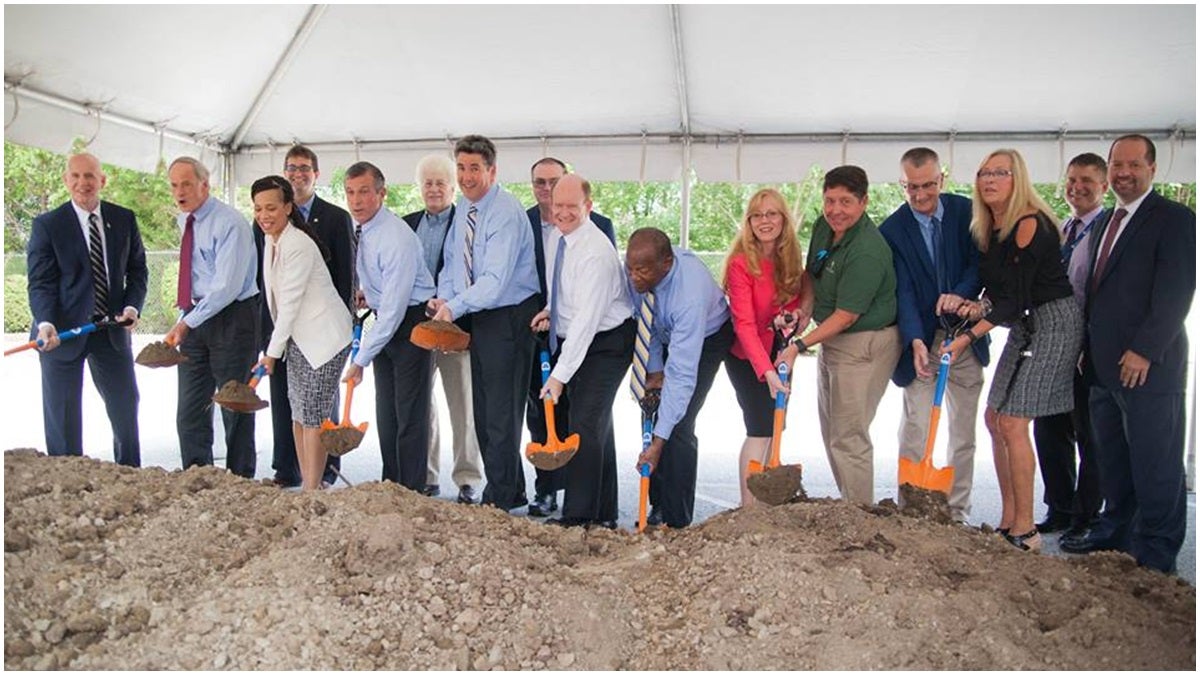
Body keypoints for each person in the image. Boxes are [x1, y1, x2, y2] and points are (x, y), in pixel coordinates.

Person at [1061, 135, 1195, 574]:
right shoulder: (1104, 221)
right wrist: (1083, 349)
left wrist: (1144, 350)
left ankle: (1157, 554)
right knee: (1112, 461)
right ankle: (1116, 534)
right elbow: (1094, 293)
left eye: (1133, 164)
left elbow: (1177, 293)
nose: (1123, 172)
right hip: (1101, 367)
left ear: (1153, 169)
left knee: (1156, 464)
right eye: (1117, 164)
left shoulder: (1175, 219)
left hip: (1148, 368)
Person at [942, 149, 1083, 553]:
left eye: (1000, 173)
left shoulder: (1029, 224)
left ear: (1016, 178)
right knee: (994, 418)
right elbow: (997, 295)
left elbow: (1017, 298)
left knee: (1013, 423)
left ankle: (1026, 530)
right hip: (1024, 325)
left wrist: (968, 335)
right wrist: (973, 306)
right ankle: (1008, 518)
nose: (990, 180)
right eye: (984, 172)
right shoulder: (990, 227)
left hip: (1052, 324)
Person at [775, 166, 900, 507]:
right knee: (832, 434)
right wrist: (802, 314)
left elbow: (847, 316)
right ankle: (850, 506)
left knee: (849, 436)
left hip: (863, 343)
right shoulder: (824, 227)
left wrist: (799, 345)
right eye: (830, 200)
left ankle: (860, 514)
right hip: (831, 340)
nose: (836, 210)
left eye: (846, 201)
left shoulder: (867, 250)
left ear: (864, 202)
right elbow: (812, 275)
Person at [429, 135, 541, 512]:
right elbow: (452, 261)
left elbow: (494, 283)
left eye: (474, 168)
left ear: (492, 170)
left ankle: (502, 498)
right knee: (485, 410)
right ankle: (508, 488)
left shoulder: (505, 212)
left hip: (509, 318)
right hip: (479, 316)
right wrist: (445, 299)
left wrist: (455, 307)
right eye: (461, 168)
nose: (466, 176)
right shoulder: (465, 206)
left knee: (501, 413)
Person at [879, 148, 988, 523]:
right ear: (902, 183)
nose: (921, 195)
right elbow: (903, 290)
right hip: (923, 337)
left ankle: (957, 510)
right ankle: (913, 510)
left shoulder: (967, 212)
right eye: (912, 187)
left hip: (966, 336)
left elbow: (979, 265)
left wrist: (960, 293)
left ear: (942, 179)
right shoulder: (892, 230)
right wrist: (915, 340)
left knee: (963, 431)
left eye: (928, 185)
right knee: (916, 424)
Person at [26, 152, 147, 466]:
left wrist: (132, 308)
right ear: (66, 180)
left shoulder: (124, 218)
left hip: (111, 331)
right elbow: (40, 283)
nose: (83, 183)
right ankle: (67, 484)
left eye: (90, 176)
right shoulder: (47, 225)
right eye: (76, 176)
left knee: (125, 407)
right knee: (63, 418)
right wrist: (46, 323)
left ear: (102, 181)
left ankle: (129, 476)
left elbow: (137, 271)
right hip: (61, 334)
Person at [529, 174, 634, 528]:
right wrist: (550, 310)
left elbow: (587, 323)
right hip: (581, 335)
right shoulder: (558, 237)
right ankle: (603, 512)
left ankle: (579, 516)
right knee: (597, 424)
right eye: (557, 205)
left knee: (584, 423)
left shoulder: (595, 253)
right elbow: (565, 293)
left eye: (571, 207)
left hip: (607, 342)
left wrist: (558, 379)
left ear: (588, 207)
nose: (562, 213)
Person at [256, 145, 355, 489]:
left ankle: (313, 491)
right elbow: (274, 300)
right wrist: (275, 347)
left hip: (326, 340)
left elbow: (292, 302)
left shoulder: (297, 243)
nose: (264, 214)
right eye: (258, 208)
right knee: (298, 414)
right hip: (300, 339)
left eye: (271, 207)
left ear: (287, 207)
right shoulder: (273, 239)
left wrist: (271, 352)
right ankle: (306, 485)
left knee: (312, 416)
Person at [628, 227, 733, 529]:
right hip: (662, 334)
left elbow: (683, 375)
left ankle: (676, 519)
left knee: (679, 422)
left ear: (666, 264)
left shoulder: (689, 296)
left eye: (642, 271)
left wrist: (658, 443)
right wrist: (655, 369)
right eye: (630, 268)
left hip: (708, 336)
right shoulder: (639, 273)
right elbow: (645, 324)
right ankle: (658, 504)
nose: (634, 277)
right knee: (652, 407)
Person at [342, 161, 437, 490]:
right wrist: (369, 293)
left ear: (381, 194)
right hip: (386, 319)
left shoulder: (395, 236)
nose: (356, 200)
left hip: (412, 324)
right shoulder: (363, 230)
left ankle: (411, 490)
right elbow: (384, 292)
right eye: (351, 193)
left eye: (365, 192)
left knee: (410, 413)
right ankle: (391, 484)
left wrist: (359, 360)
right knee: (388, 411)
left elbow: (397, 308)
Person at [164, 157, 260, 478]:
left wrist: (187, 322)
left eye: (187, 184)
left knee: (235, 405)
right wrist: (184, 317)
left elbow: (226, 287)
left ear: (205, 185)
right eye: (174, 185)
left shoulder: (229, 223)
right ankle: (197, 476)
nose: (180, 191)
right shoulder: (185, 221)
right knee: (190, 408)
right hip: (196, 316)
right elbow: (194, 277)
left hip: (234, 318)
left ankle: (240, 480)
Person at [1031, 152, 1108, 540]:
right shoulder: (1064, 228)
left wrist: (1085, 344)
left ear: (1103, 186)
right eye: (1072, 180)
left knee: (1090, 435)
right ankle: (1058, 506)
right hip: (1053, 345)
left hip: (1087, 349)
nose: (1077, 187)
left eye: (1087, 181)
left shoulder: (1106, 230)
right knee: (1050, 429)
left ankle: (1087, 516)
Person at [402, 153, 484, 504]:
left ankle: (467, 477)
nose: (434, 189)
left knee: (462, 402)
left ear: (453, 188)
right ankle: (427, 474)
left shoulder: (468, 222)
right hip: (419, 327)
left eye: (440, 183)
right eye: (428, 183)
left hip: (456, 325)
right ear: (420, 189)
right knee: (423, 405)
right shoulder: (406, 224)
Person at [721, 188, 806, 507]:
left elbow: (794, 304)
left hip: (780, 351)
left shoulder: (790, 257)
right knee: (759, 426)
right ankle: (750, 506)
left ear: (783, 218)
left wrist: (791, 318)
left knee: (776, 424)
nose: (764, 221)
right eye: (757, 215)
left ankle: (767, 502)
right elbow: (743, 324)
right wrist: (766, 371)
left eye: (771, 213)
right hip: (748, 356)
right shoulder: (741, 263)